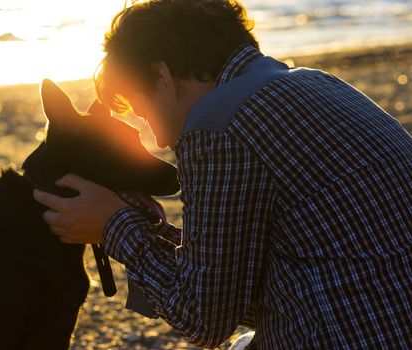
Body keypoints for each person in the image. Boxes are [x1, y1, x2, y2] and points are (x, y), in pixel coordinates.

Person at [33, 0, 412, 348]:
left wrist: (113, 226)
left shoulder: (218, 126)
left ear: (162, 75)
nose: (162, 139)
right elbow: (240, 280)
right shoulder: (318, 84)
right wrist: (144, 229)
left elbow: (204, 319)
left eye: (143, 112)